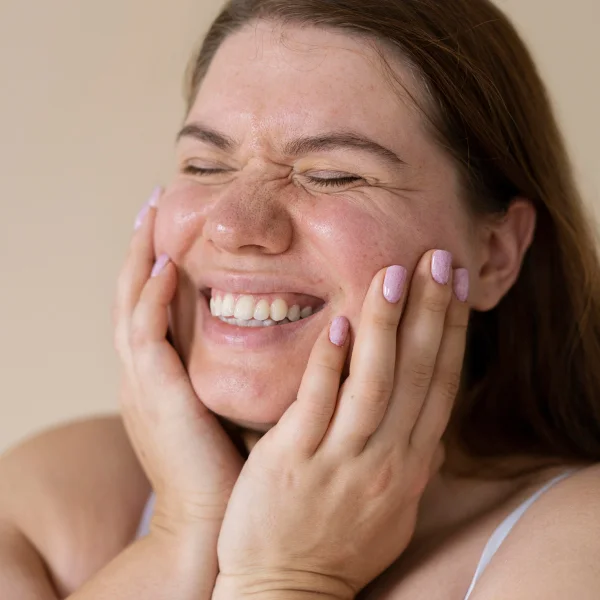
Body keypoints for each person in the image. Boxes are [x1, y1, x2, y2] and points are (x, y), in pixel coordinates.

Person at [1, 0, 600, 598]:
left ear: (495, 253)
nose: (233, 224)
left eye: (333, 174)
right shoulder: (49, 502)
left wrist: (287, 579)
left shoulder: (576, 542)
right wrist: (183, 528)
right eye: (205, 165)